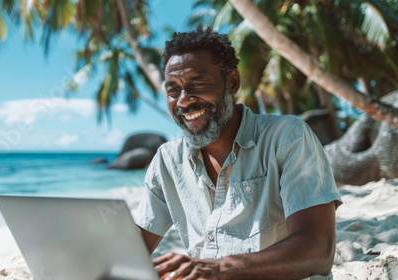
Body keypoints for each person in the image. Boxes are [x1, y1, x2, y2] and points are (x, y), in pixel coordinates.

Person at [134, 27, 342, 280]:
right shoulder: (167, 160)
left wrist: (218, 268)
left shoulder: (287, 137)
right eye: (173, 90)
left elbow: (318, 250)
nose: (184, 100)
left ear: (232, 83)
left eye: (196, 84)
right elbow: (131, 252)